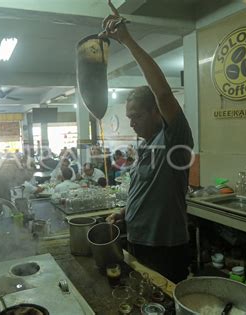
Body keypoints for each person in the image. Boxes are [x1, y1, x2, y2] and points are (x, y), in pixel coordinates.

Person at [103, 1, 193, 283]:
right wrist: (125, 212)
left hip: (165, 246)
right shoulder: (146, 144)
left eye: (137, 116)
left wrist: (127, 41)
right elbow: (144, 188)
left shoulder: (173, 137)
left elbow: (164, 93)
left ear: (156, 112)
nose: (131, 123)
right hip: (138, 238)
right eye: (129, 117)